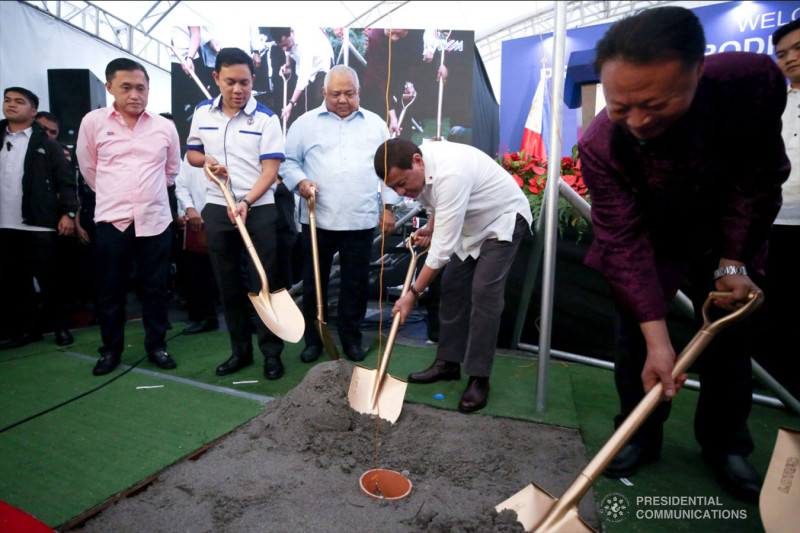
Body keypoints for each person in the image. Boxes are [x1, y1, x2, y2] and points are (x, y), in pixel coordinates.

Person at [578, 7, 789, 503]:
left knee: (730, 344)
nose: (638, 121)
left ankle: (725, 445)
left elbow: (758, 175)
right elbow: (623, 242)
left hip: (727, 230)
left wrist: (733, 261)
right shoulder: (601, 143)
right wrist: (657, 338)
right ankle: (639, 434)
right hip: (649, 242)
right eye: (620, 106)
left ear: (698, 70)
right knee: (637, 344)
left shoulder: (751, 82)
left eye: (655, 103)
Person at [376, 139, 532, 413]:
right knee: (452, 287)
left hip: (502, 219)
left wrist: (412, 293)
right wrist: (430, 228)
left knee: (484, 293)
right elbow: (440, 206)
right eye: (394, 188)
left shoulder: (451, 173)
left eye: (402, 183)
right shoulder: (424, 170)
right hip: (471, 224)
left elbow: (441, 251)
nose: (403, 192)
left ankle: (479, 378)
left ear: (417, 161)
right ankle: (448, 363)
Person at [281, 65, 401, 363]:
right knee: (314, 283)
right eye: (336, 94)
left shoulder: (376, 125)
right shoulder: (304, 124)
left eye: (349, 93)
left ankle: (351, 339)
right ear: (324, 93)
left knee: (356, 284)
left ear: (359, 92)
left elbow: (388, 170)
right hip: (316, 219)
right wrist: (301, 181)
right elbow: (288, 163)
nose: (343, 99)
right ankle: (314, 340)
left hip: (360, 219)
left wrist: (388, 207)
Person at [186, 47, 287, 380]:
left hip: (258, 208)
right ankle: (240, 352)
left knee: (264, 283)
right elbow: (192, 154)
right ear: (216, 78)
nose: (237, 90)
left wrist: (246, 202)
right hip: (218, 207)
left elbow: (270, 170)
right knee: (228, 284)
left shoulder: (267, 119)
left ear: (253, 80)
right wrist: (207, 163)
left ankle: (271, 353)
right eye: (230, 82)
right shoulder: (202, 113)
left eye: (244, 82)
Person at [76, 58, 181, 376]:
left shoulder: (165, 127)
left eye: (141, 88)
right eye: (126, 87)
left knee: (155, 288)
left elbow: (171, 171)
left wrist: (145, 197)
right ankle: (110, 350)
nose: (135, 94)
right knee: (110, 288)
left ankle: (157, 346)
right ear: (110, 88)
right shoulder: (93, 122)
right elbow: (89, 169)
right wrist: (118, 194)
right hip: (112, 221)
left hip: (155, 220)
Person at [0, 87, 77, 349]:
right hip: (4, 224)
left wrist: (68, 213)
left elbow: (67, 182)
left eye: (18, 102)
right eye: (7, 100)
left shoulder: (47, 145)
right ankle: (24, 331)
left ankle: (60, 328)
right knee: (13, 283)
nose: (11, 105)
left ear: (32, 111)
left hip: (39, 224)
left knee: (50, 280)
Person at [766, 20, 800, 400]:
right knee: (772, 310)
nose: (790, 59)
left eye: (798, 49)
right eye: (782, 54)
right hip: (769, 222)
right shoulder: (772, 104)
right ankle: (775, 386)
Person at [174, 154, 219, 334]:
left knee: (234, 270)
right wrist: (188, 208)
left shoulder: (224, 146)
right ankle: (205, 317)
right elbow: (181, 186)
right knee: (197, 273)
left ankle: (247, 317)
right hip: (196, 222)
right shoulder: (190, 157)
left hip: (226, 219)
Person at [271, 27, 334, 121]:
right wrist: (288, 65)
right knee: (302, 106)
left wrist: (290, 104)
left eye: (285, 44)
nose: (284, 49)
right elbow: (287, 51)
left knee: (317, 102)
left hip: (322, 66)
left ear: (292, 32)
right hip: (305, 68)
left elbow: (303, 77)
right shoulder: (286, 34)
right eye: (281, 46)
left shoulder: (306, 40)